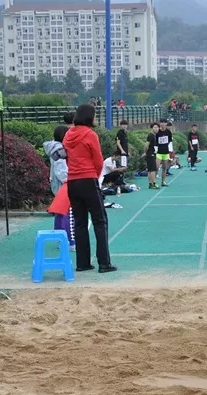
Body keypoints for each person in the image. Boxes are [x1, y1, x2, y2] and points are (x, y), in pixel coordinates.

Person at [63, 104, 117, 273]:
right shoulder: (90, 134)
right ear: (89, 117)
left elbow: (66, 157)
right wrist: (94, 175)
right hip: (88, 179)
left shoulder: (68, 135)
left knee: (79, 222)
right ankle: (104, 263)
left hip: (72, 181)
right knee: (100, 221)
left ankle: (83, 262)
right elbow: (98, 160)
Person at [44, 124, 75, 247]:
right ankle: (69, 240)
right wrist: (70, 180)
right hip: (64, 184)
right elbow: (61, 169)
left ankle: (61, 238)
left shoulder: (55, 148)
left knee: (61, 212)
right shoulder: (59, 150)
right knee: (67, 213)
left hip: (59, 184)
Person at [155, 119, 173, 187]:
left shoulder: (168, 132)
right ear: (160, 123)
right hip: (158, 152)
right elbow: (155, 142)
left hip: (166, 152)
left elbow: (170, 142)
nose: (163, 124)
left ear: (166, 124)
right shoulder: (157, 132)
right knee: (156, 167)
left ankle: (163, 181)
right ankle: (154, 182)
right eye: (161, 122)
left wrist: (170, 152)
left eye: (164, 122)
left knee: (164, 168)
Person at [145, 122, 160, 189]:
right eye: (155, 127)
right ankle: (153, 183)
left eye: (157, 127)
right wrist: (146, 152)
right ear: (152, 128)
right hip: (151, 154)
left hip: (152, 153)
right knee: (153, 169)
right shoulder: (150, 135)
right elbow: (146, 145)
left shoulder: (154, 135)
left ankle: (150, 184)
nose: (156, 129)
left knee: (150, 170)